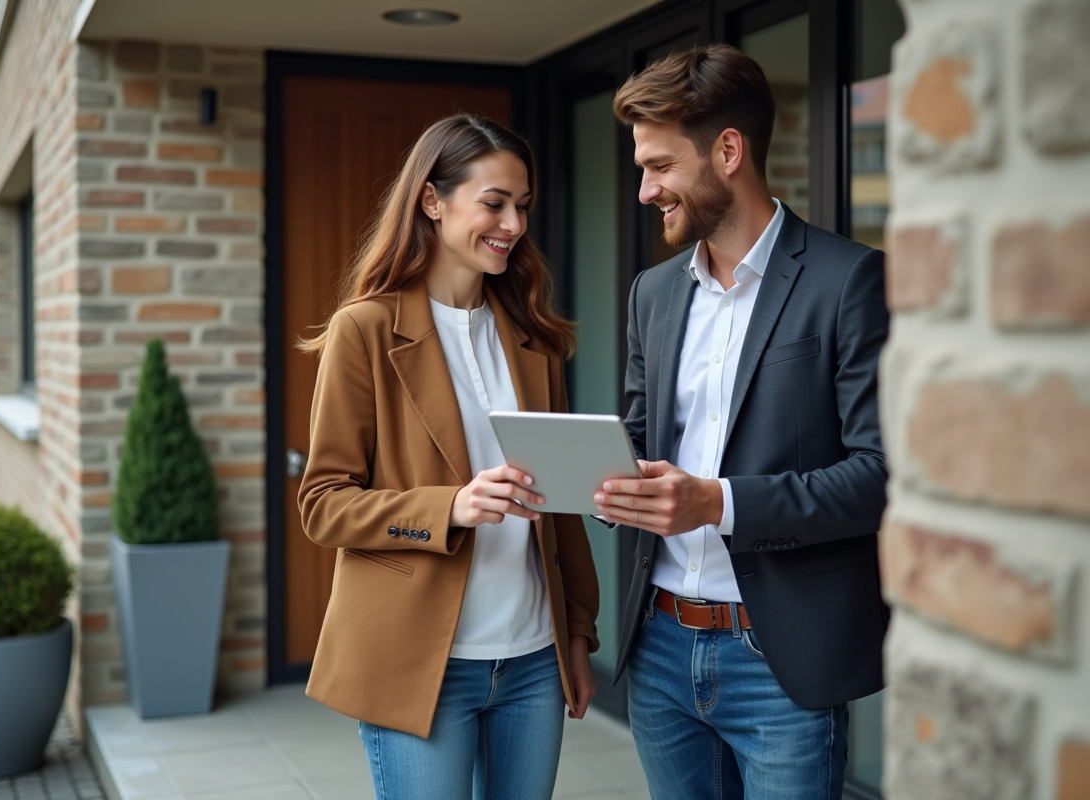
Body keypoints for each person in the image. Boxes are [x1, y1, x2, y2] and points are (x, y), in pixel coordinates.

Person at [592, 45, 890, 800]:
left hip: (779, 656)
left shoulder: (848, 280)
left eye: (659, 165)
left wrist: (716, 502)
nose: (644, 190)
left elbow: (879, 477)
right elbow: (638, 441)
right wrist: (598, 476)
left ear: (728, 151)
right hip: (658, 648)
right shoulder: (651, 294)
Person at [297, 114, 599, 800]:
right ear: (432, 201)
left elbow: (561, 509)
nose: (513, 224)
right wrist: (451, 507)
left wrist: (577, 633)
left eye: (522, 207)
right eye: (493, 203)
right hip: (418, 665)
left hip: (530, 659)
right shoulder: (365, 330)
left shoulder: (534, 340)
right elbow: (322, 504)